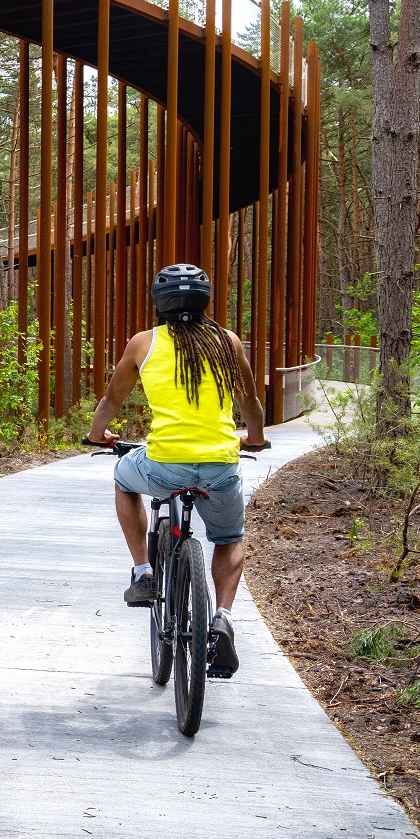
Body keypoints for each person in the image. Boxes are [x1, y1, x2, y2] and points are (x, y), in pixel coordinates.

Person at [85, 263, 269, 677]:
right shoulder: (228, 342)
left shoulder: (142, 344)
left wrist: (98, 434)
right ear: (204, 301)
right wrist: (253, 438)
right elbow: (251, 404)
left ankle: (143, 571)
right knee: (230, 539)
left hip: (164, 465)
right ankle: (221, 617)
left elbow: (112, 400)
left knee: (122, 479)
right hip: (221, 466)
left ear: (159, 303)